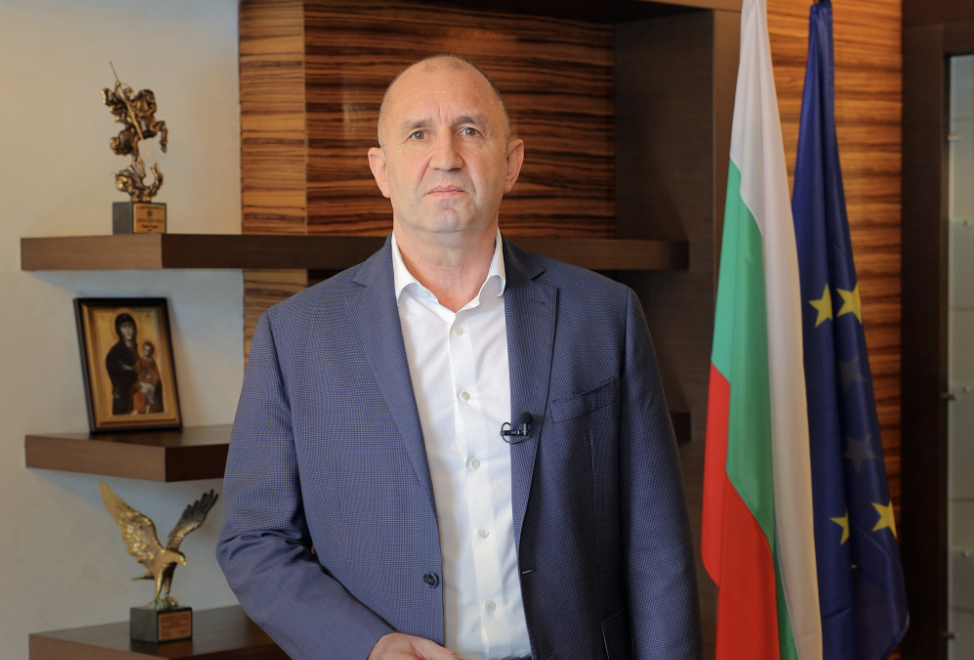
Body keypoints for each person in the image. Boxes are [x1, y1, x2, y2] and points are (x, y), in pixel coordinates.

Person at [218, 55, 701, 660]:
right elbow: (254, 541)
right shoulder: (295, 336)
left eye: (470, 130)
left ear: (511, 162)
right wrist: (369, 647)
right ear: (381, 170)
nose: (445, 156)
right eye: (418, 133)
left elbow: (656, 542)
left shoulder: (605, 316)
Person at [105, 313, 139, 415]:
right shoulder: (115, 353)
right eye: (124, 327)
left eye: (130, 326)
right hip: (125, 402)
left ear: (134, 328)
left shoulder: (139, 349)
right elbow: (122, 379)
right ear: (119, 330)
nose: (128, 330)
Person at [131, 341, 163, 414]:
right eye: (145, 349)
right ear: (142, 349)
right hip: (141, 387)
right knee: (139, 401)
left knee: (151, 404)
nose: (146, 352)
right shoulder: (139, 361)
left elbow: (156, 377)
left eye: (148, 351)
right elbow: (136, 376)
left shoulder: (152, 363)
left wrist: (150, 385)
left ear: (151, 352)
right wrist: (141, 385)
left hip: (150, 387)